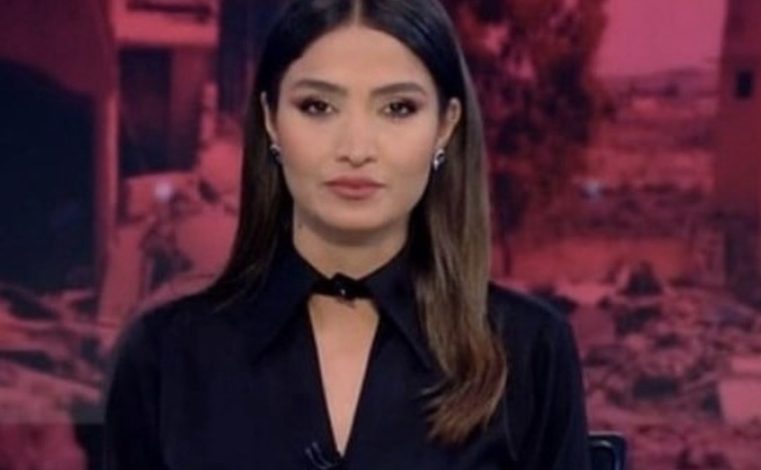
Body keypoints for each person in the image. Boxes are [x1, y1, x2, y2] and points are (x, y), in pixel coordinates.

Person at [102, 0, 591, 468]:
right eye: (318, 106)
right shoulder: (163, 356)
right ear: (271, 121)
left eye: (398, 108)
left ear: (445, 126)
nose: (356, 149)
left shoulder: (530, 351)